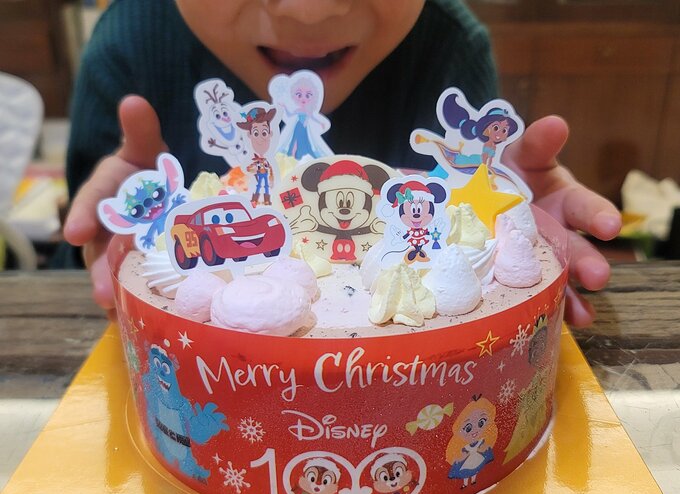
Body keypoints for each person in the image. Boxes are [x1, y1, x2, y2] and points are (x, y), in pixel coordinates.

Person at [62, 0, 621, 327]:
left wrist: (508, 215)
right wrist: (108, 244)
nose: (311, 9)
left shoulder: (450, 49)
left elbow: (468, 192)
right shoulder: (127, 48)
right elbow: (76, 257)